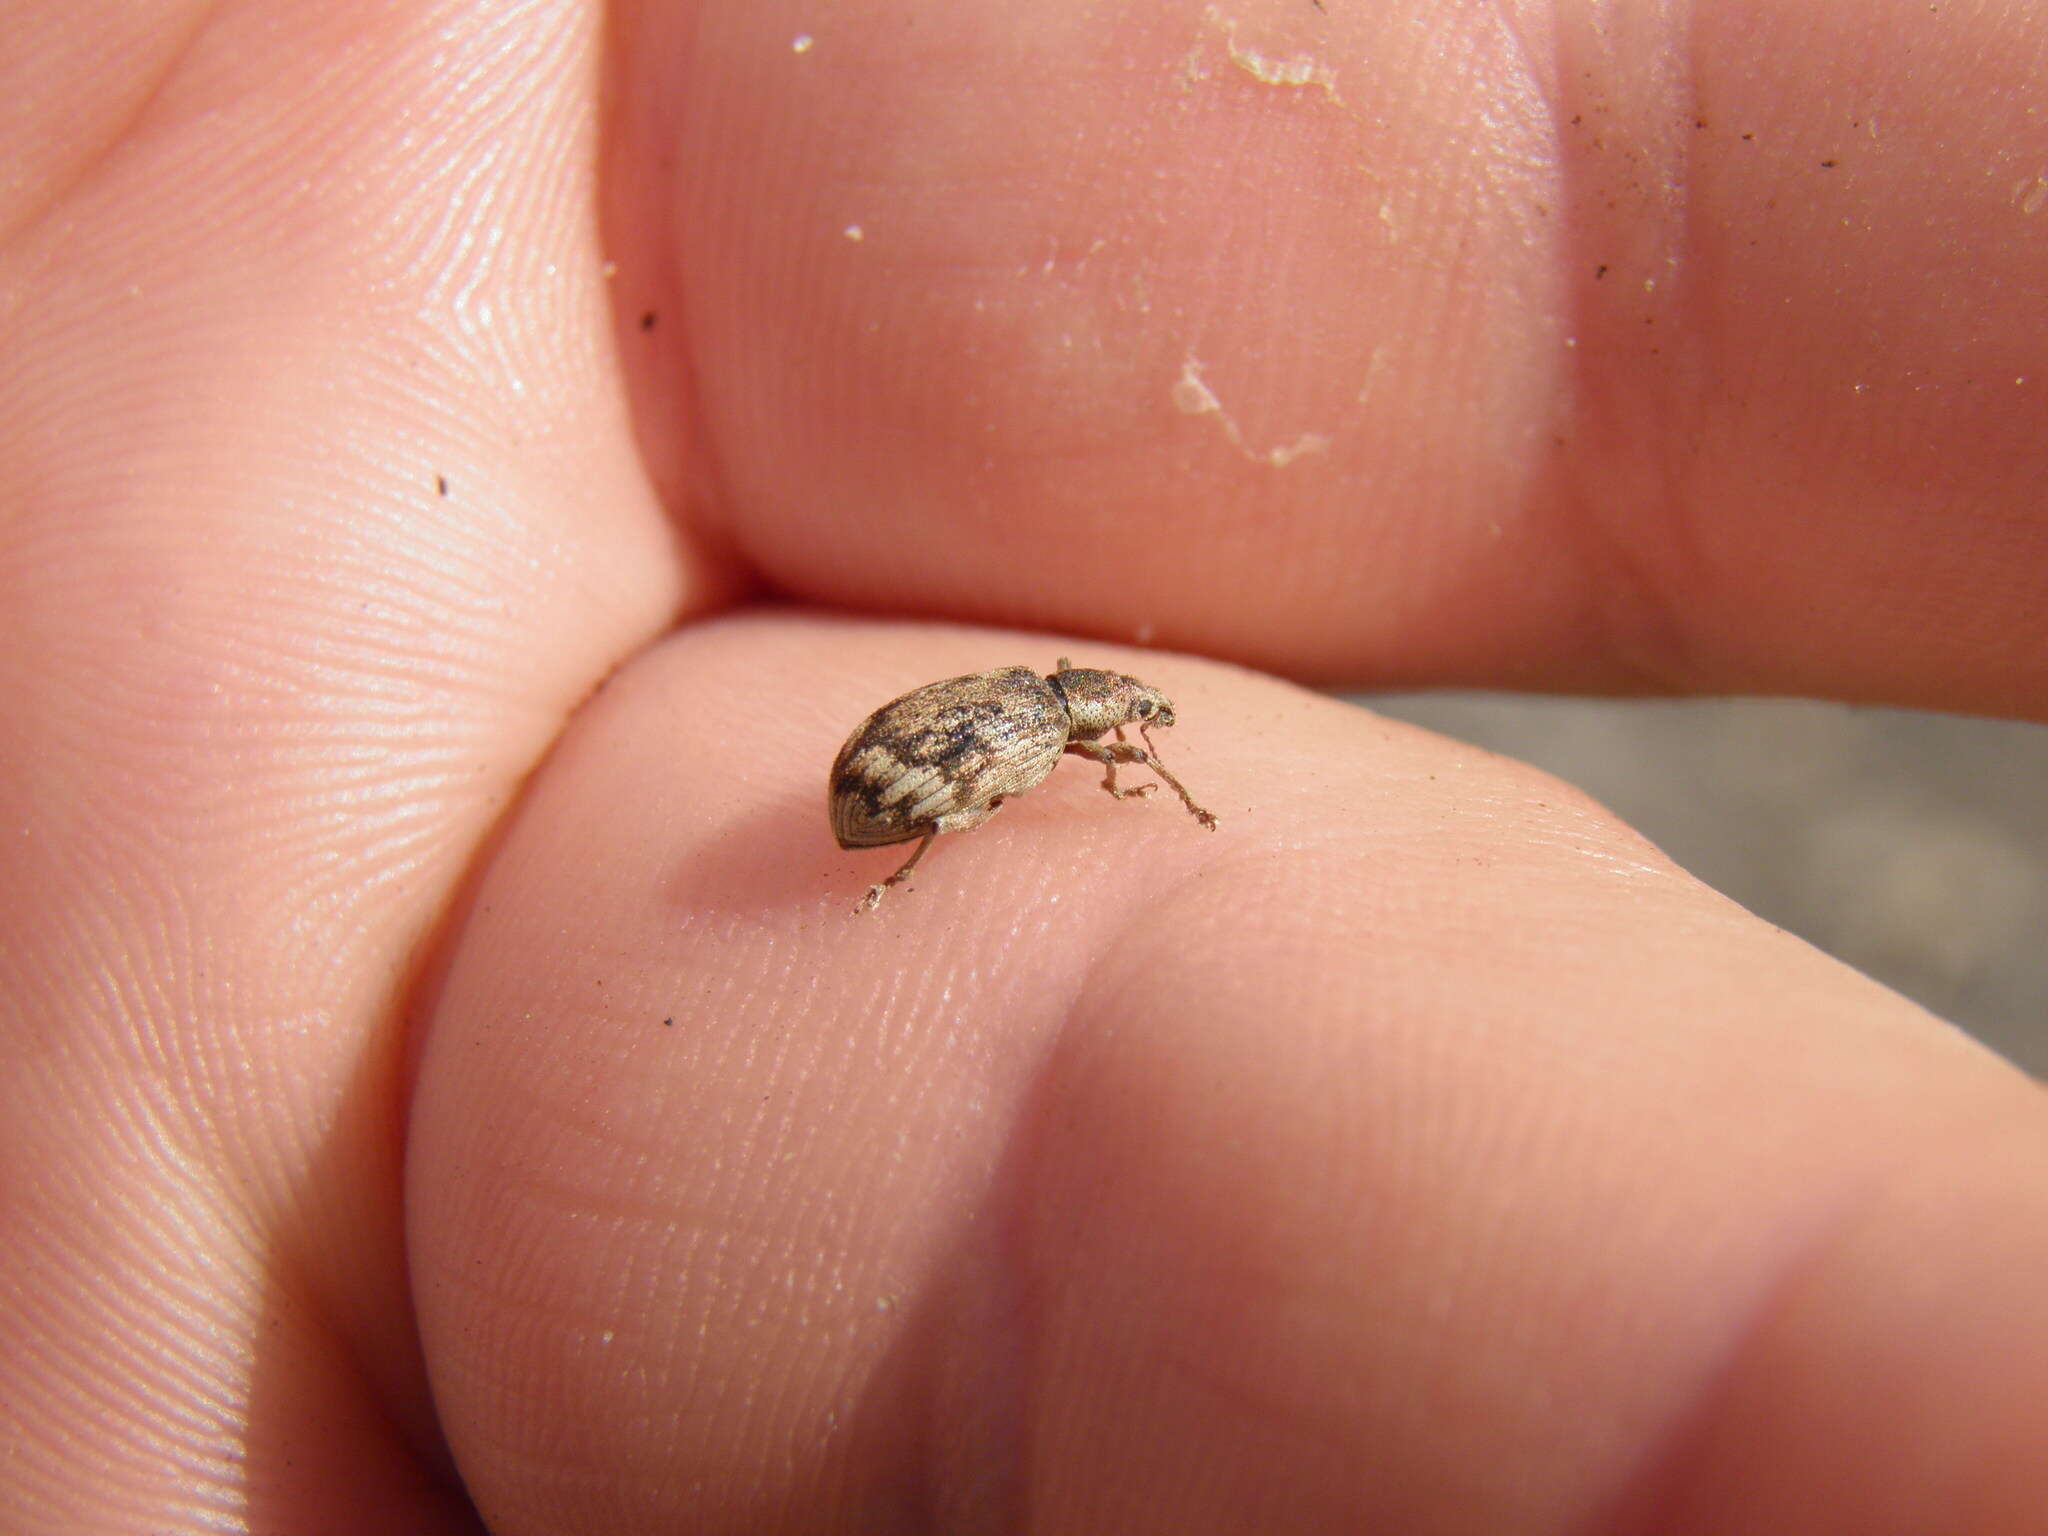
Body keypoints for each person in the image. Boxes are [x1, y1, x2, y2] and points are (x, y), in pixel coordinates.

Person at [3, 3, 2043, 1530]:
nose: (1133, 744)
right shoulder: (1042, 743)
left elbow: (1059, 742)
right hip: (872, 792)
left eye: (1122, 731)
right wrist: (932, 834)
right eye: (1121, 728)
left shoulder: (1056, 717)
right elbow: (1004, 765)